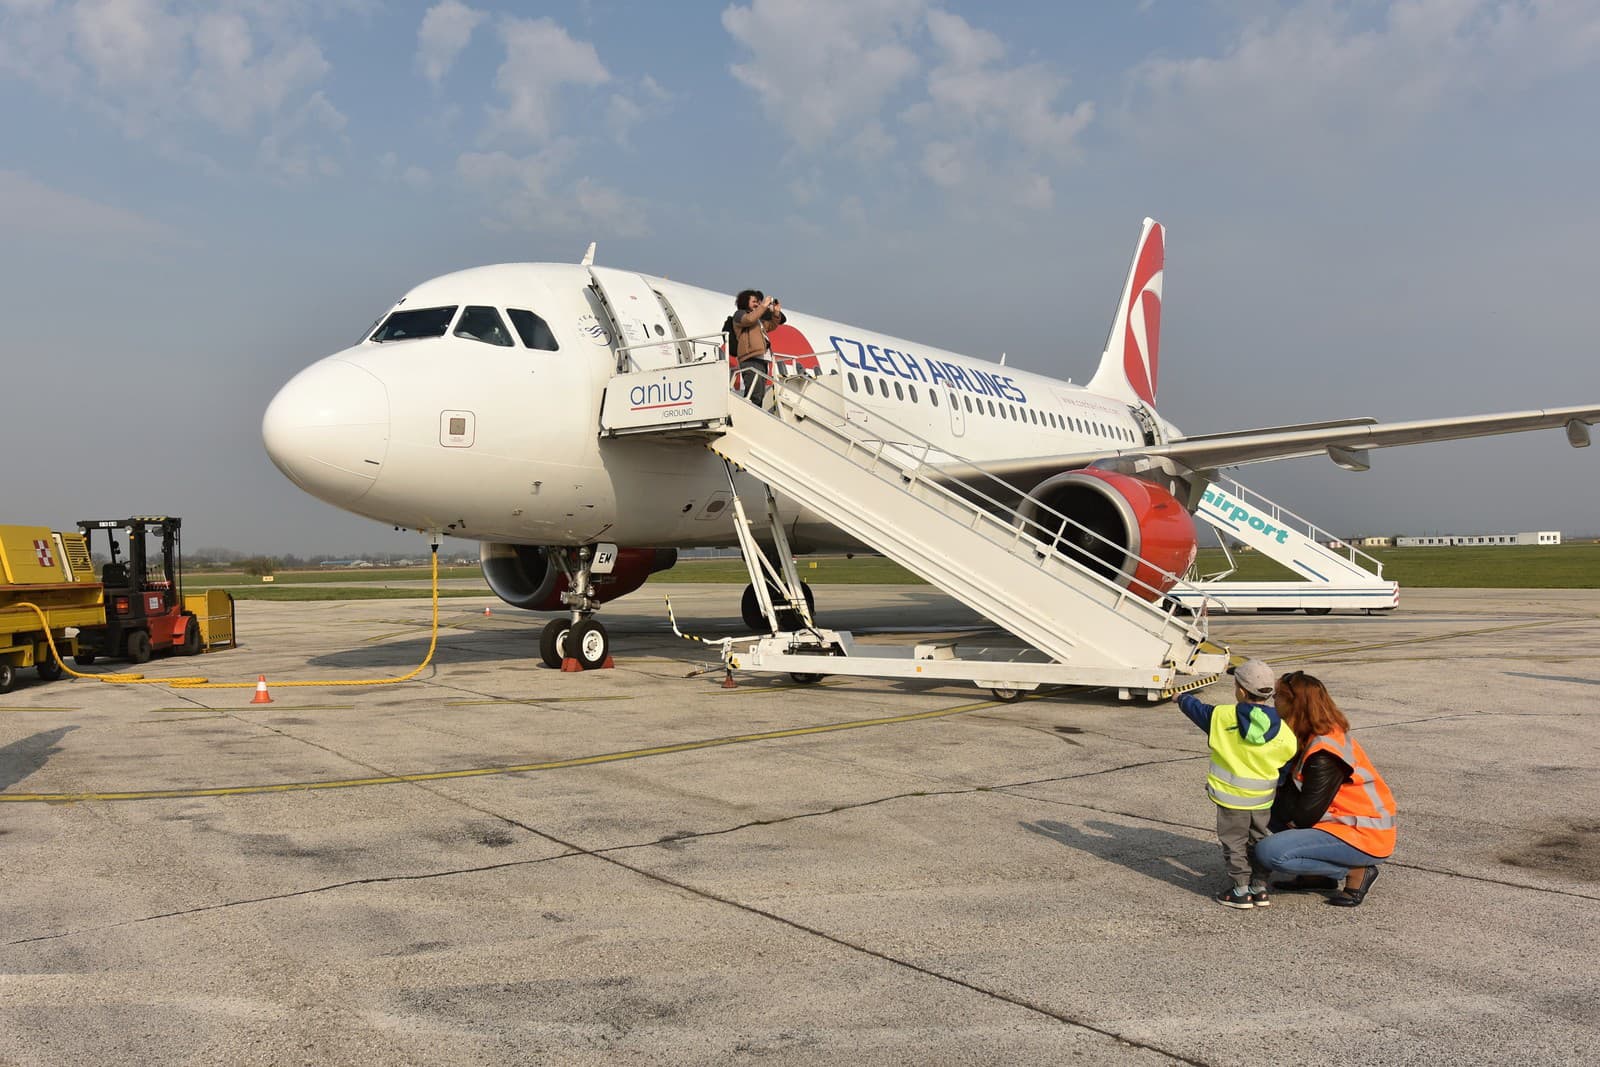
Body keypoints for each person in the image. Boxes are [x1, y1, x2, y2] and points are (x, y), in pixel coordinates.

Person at [1254, 671, 1398, 907]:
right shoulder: (1316, 733)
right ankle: (1317, 876)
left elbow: (1304, 816)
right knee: (1266, 810)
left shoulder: (1323, 754)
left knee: (1269, 854)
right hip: (1343, 823)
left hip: (1364, 834)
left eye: (1278, 696)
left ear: (1295, 704)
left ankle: (1356, 871)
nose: (1274, 702)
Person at [1177, 658, 1299, 910]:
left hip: (1230, 799)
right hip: (1263, 800)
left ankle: (1240, 889)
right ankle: (1260, 886)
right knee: (1259, 840)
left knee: (1234, 842)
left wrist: (1181, 698)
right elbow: (1287, 762)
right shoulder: (1284, 729)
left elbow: (1197, 710)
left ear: (1241, 691)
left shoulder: (1222, 716)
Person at [727, 289, 784, 407]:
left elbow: (771, 326)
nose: (757, 304)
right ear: (745, 301)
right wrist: (763, 306)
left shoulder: (758, 320)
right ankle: (748, 414)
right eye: (754, 301)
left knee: (760, 393)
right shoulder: (740, 315)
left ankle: (754, 414)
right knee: (754, 393)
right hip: (751, 358)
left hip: (762, 358)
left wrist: (776, 313)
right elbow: (748, 319)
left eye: (758, 302)